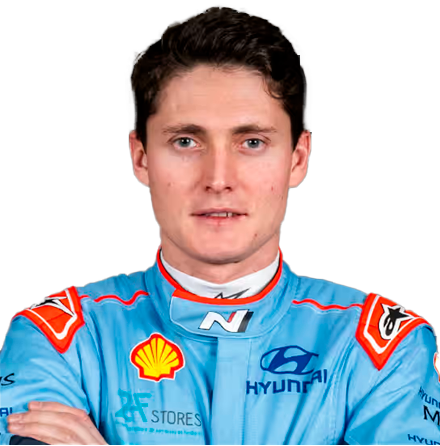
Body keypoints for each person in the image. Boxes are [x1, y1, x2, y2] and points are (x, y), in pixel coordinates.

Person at [0, 4, 439, 445]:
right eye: (186, 141)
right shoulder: (59, 339)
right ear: (141, 157)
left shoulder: (383, 349)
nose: (218, 179)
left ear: (298, 159)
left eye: (252, 142)